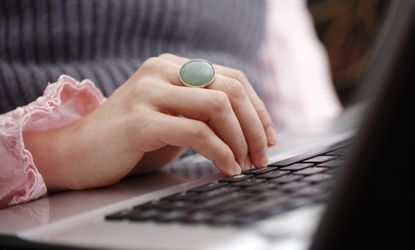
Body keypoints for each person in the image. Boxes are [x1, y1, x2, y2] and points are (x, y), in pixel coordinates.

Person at [0, 0, 341, 208]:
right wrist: (61, 152)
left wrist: (326, 171)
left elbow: (302, 102)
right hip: (50, 202)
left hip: (237, 182)